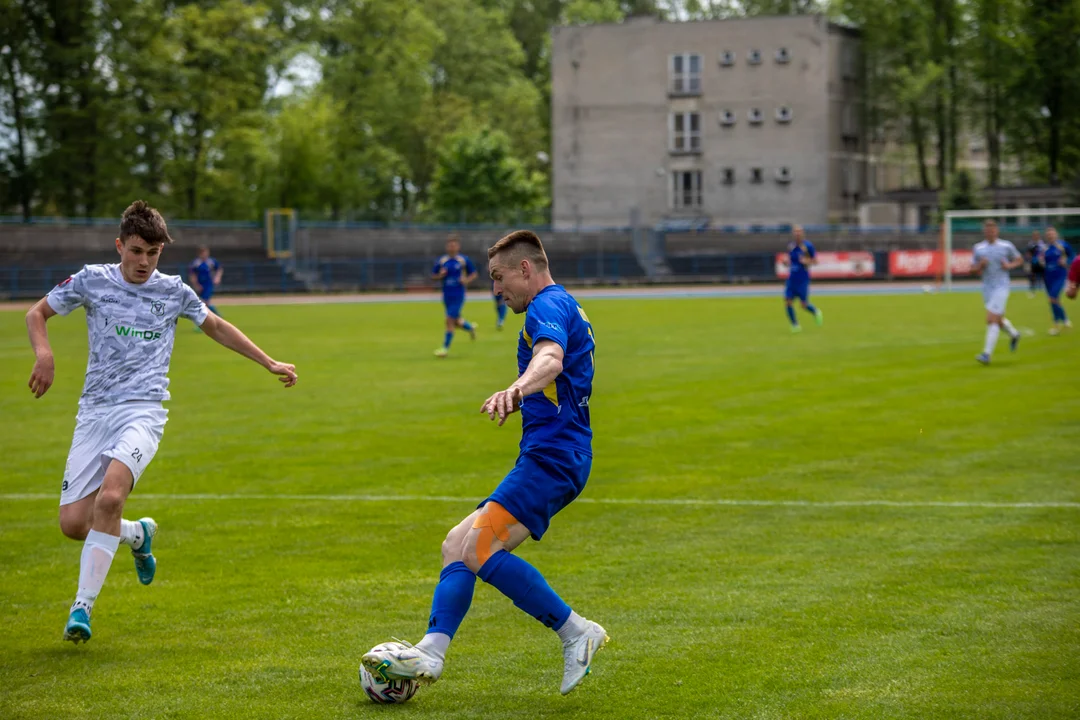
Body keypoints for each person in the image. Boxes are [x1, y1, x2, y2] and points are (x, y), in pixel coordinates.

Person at [24, 200, 297, 645]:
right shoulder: (92, 280)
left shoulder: (173, 291)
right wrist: (45, 354)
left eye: (153, 253)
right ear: (120, 246)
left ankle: (82, 608)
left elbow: (216, 326)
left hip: (144, 410)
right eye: (137, 251)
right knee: (74, 524)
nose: (145, 262)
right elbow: (37, 313)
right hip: (95, 411)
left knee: (111, 497)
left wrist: (268, 362)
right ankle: (138, 534)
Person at [362, 230, 607, 695]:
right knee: (457, 544)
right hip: (556, 453)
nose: (495, 289)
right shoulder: (563, 304)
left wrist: (517, 388)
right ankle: (431, 651)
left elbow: (551, 359)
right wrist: (524, 394)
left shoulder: (546, 306)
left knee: (478, 548)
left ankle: (576, 631)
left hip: (554, 457)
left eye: (498, 278)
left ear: (526, 269)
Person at [971, 219, 1024, 364]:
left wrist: (1009, 265)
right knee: (998, 320)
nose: (990, 232)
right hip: (987, 288)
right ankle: (1014, 334)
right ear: (984, 232)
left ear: (997, 231)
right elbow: (972, 269)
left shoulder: (1006, 246)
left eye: (993, 230)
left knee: (991, 319)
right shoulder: (978, 248)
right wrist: (980, 265)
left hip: (1002, 286)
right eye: (987, 230)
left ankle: (986, 354)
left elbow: (1019, 260)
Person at [433, 234, 478, 357]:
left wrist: (466, 280)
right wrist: (440, 275)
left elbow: (473, 274)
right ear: (447, 246)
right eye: (449, 245)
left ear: (458, 246)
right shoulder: (442, 261)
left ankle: (444, 348)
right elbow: (433, 276)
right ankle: (470, 328)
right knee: (456, 321)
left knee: (449, 320)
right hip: (446, 294)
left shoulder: (463, 260)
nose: (452, 247)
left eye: (454, 245)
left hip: (459, 294)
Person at [783, 225, 824, 333]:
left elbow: (815, 261)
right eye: (795, 232)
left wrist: (807, 261)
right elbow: (790, 260)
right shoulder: (791, 246)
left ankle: (815, 311)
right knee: (788, 301)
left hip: (802, 279)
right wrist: (786, 262)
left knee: (803, 305)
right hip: (792, 278)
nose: (797, 234)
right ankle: (795, 325)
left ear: (802, 233)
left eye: (799, 232)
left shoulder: (807, 246)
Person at [1042, 227, 1073, 335]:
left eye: (1052, 234)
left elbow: (1072, 256)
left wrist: (1066, 261)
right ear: (1047, 236)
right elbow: (1038, 260)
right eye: (1048, 234)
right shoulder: (1044, 248)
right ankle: (1063, 321)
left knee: (1052, 297)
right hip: (1047, 277)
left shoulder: (1062, 245)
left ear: (1056, 234)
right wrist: (1039, 261)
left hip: (1060, 275)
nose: (1050, 236)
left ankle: (1059, 323)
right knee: (1053, 300)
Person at [188, 245, 223, 316]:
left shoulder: (211, 261)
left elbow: (219, 269)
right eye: (203, 252)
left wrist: (217, 277)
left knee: (204, 302)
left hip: (208, 283)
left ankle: (215, 316)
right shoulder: (196, 263)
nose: (205, 254)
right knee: (204, 302)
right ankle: (216, 315)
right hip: (200, 284)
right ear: (199, 253)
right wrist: (196, 285)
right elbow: (192, 275)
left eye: (206, 252)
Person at [1026, 229, 1046, 297]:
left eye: (1037, 235)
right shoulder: (1031, 244)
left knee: (1044, 277)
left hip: (1041, 263)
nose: (1035, 236)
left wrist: (1042, 258)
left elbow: (1044, 252)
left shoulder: (1042, 244)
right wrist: (1029, 259)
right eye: (1034, 235)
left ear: (1039, 236)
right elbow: (1028, 253)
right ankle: (1032, 292)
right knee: (1032, 277)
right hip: (1033, 263)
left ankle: (1046, 290)